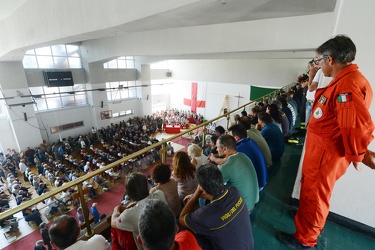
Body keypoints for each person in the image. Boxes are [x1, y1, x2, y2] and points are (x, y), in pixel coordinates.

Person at [277, 35, 375, 249]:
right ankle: (305, 219)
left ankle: (306, 239)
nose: (318, 65)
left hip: (325, 154)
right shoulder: (346, 81)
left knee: (316, 196)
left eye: (319, 61)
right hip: (320, 151)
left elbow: (355, 125)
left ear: (330, 59)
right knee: (310, 192)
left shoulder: (347, 86)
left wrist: (358, 154)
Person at [179, 164, 254, 250]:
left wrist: (197, 192)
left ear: (203, 189)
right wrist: (199, 195)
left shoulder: (205, 214)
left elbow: (182, 218)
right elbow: (215, 194)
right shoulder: (234, 191)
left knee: (188, 232)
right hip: (249, 245)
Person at [111, 172, 167, 249]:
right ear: (148, 186)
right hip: (167, 239)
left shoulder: (129, 214)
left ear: (129, 194)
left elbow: (113, 223)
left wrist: (117, 208)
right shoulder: (160, 194)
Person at [212, 134, 259, 212]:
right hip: (253, 201)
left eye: (217, 147)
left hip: (244, 210)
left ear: (225, 149)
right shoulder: (243, 155)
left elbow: (215, 189)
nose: (216, 149)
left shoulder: (226, 168)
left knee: (211, 195)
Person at [228, 124, 268, 191]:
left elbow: (227, 163)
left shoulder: (239, 149)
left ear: (236, 138)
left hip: (257, 186)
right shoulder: (250, 141)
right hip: (263, 181)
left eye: (229, 136)